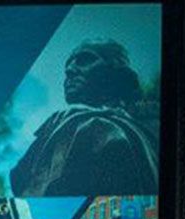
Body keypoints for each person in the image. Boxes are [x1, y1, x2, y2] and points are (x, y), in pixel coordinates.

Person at [9, 39, 158, 198]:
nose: (70, 70)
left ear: (116, 73)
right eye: (69, 64)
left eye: (86, 60)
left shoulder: (87, 125)